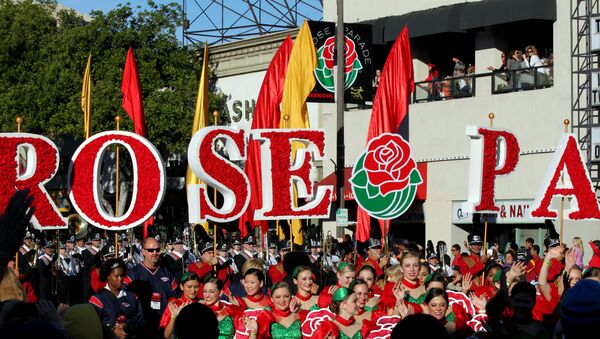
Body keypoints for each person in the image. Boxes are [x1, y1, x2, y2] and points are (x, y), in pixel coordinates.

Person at [124, 237, 176, 337]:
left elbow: (175, 298)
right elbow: (125, 302)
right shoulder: (132, 274)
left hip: (163, 327)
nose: (155, 253)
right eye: (151, 250)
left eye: (157, 250)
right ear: (143, 251)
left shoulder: (167, 273)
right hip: (141, 329)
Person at [89, 258, 144, 338]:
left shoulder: (132, 297)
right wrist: (112, 330)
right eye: (116, 276)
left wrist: (127, 325)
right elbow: (92, 325)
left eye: (122, 276)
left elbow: (140, 320)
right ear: (107, 276)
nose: (120, 279)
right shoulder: (97, 299)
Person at [160, 271, 200, 338]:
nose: (193, 290)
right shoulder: (175, 304)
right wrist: (173, 317)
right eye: (189, 287)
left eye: (196, 287)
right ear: (181, 287)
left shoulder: (202, 304)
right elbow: (166, 336)